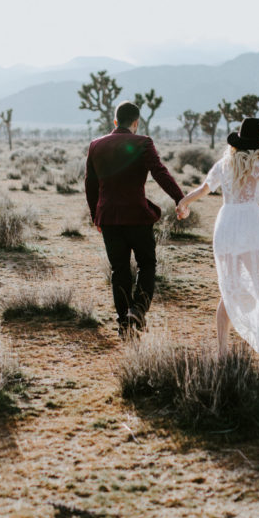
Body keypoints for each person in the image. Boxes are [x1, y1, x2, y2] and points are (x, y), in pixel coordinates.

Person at [175, 117, 259, 367]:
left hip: (226, 225)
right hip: (249, 225)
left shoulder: (224, 164)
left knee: (228, 289)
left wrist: (183, 203)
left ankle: (222, 350)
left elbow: (202, 189)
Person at [85, 101, 185, 339]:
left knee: (119, 270)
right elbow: (160, 172)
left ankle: (124, 325)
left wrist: (95, 215)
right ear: (136, 122)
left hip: (109, 218)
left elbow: (90, 184)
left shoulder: (96, 145)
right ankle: (138, 310)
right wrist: (179, 199)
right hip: (137, 216)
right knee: (147, 264)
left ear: (115, 121)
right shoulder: (143, 142)